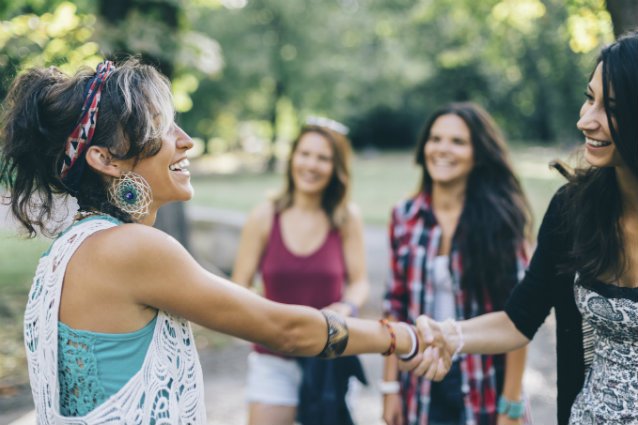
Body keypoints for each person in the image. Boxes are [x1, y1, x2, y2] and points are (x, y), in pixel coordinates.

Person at [0, 59, 447, 424]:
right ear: (104, 159)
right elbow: (284, 330)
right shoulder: (131, 248)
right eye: (163, 127)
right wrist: (400, 337)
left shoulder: (69, 245)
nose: (186, 141)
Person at [412, 31, 638, 425]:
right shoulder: (573, 210)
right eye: (590, 98)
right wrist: (452, 336)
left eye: (612, 107)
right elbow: (520, 317)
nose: (585, 120)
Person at [382, 102, 532, 425]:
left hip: (485, 381)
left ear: (478, 154)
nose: (442, 149)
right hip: (420, 382)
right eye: (435, 139)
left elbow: (521, 316)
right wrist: (390, 386)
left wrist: (511, 402)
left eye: (457, 141)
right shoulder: (404, 217)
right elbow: (395, 305)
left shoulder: (502, 221)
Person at [231, 118, 370, 425]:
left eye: (323, 158)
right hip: (273, 359)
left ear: (336, 167)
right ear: (292, 157)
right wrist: (267, 320)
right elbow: (239, 286)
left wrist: (346, 307)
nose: (311, 164)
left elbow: (359, 282)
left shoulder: (346, 218)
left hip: (329, 356)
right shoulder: (265, 216)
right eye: (305, 154)